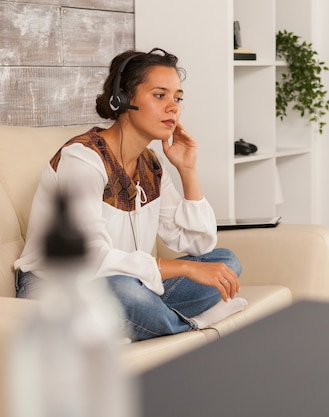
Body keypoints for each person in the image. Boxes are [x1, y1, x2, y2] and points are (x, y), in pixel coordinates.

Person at [14, 48, 247, 341]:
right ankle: (191, 325)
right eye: (159, 95)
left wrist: (188, 170)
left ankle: (140, 322)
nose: (173, 107)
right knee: (122, 291)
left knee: (226, 262)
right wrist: (184, 268)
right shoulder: (83, 159)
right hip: (58, 285)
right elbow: (87, 258)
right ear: (122, 99)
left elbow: (199, 243)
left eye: (178, 98)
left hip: (126, 282)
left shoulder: (151, 163)